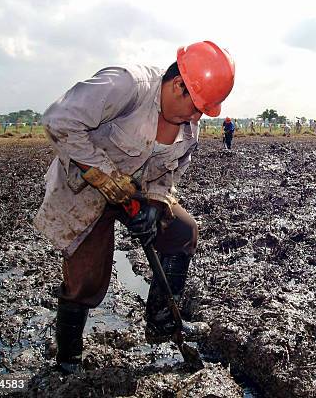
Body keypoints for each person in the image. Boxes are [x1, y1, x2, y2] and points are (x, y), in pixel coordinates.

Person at [33, 41, 235, 375]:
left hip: (134, 193)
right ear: (177, 85)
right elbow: (59, 120)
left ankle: (160, 319)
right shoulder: (126, 85)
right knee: (86, 279)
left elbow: (168, 176)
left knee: (182, 232)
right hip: (85, 188)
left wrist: (155, 204)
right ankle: (68, 358)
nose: (197, 116)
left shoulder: (189, 128)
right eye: (196, 105)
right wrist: (105, 176)